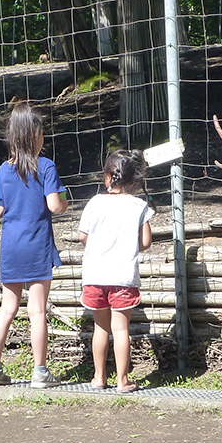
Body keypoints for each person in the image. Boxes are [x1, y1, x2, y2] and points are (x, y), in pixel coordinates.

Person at [0, 102, 69, 389]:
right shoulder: (46, 166)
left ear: (12, 138)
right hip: (36, 245)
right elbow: (54, 206)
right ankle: (40, 372)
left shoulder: (3, 170)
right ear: (36, 136)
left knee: (7, 309)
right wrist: (65, 201)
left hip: (11, 247)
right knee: (37, 311)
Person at [78, 150, 154, 393]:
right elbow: (145, 242)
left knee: (100, 327)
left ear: (108, 177)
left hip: (95, 276)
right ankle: (123, 380)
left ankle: (99, 377)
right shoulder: (139, 206)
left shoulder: (94, 202)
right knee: (121, 329)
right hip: (123, 277)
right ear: (133, 180)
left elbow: (82, 236)